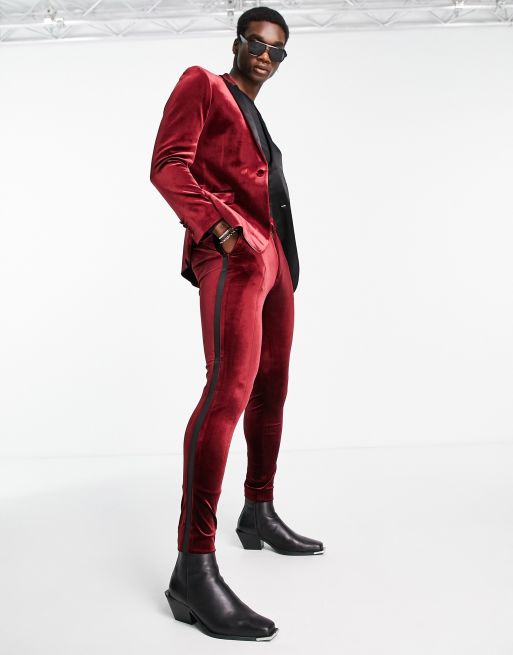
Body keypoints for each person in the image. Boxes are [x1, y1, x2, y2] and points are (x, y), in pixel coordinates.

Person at [149, 6, 324, 642]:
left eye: (278, 50)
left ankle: (258, 512)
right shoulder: (203, 82)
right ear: (237, 42)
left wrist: (283, 263)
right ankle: (192, 569)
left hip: (275, 262)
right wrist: (222, 231)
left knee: (272, 391)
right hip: (234, 253)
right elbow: (168, 164)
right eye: (257, 42)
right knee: (227, 392)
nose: (266, 56)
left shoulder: (257, 114)